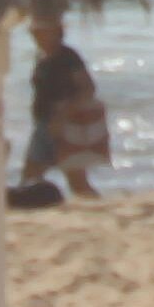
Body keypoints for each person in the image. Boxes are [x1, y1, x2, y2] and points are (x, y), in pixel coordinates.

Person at [21, 34, 112, 201]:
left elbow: (88, 88)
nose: (37, 36)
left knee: (76, 180)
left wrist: (63, 116)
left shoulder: (67, 57)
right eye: (35, 32)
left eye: (42, 32)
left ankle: (97, 204)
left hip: (63, 124)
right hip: (44, 122)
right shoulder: (42, 56)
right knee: (32, 174)